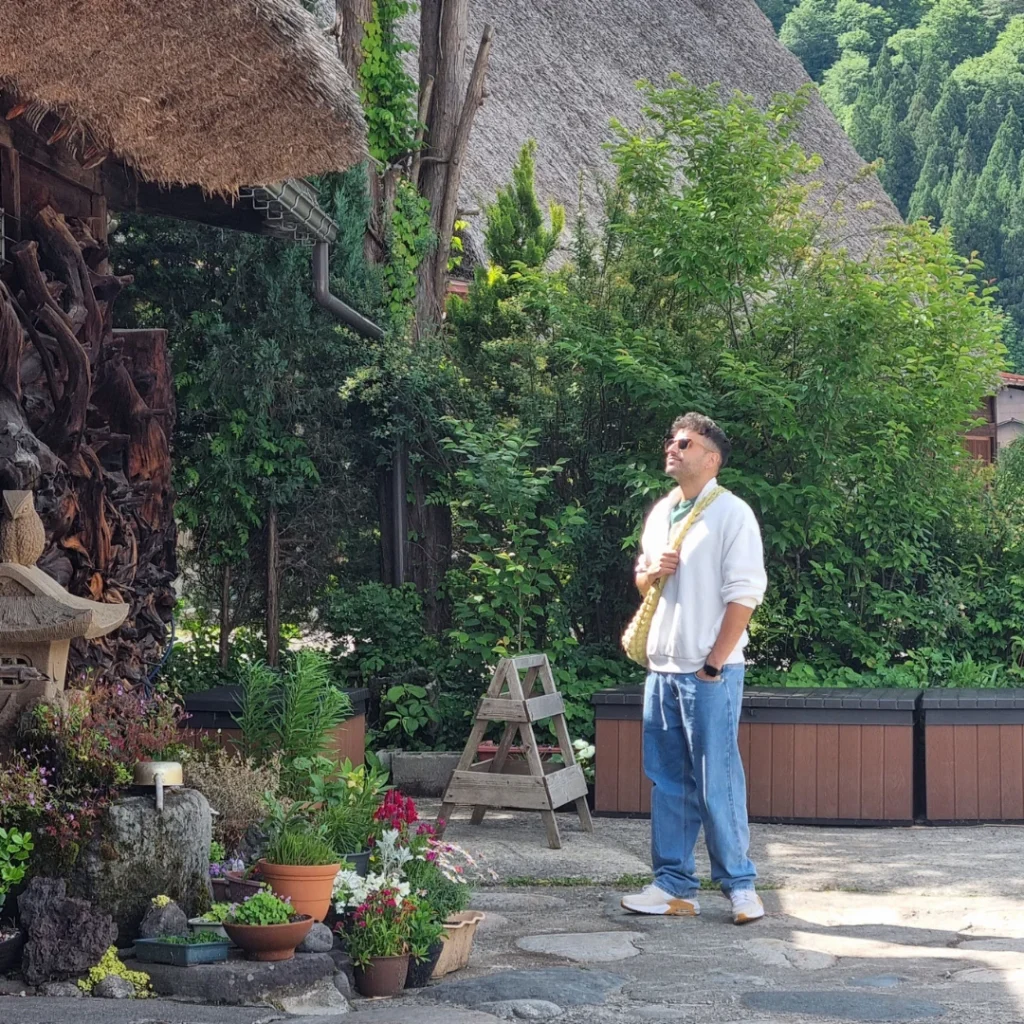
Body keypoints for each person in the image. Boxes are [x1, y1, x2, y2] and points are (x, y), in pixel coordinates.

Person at [620, 412, 767, 924]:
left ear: (712, 459)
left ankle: (740, 886)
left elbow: (745, 595)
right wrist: (647, 573)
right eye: (671, 441)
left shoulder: (733, 515)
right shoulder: (662, 511)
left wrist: (713, 664)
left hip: (709, 671)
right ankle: (673, 886)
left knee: (716, 778)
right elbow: (647, 581)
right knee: (668, 780)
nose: (673, 448)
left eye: (685, 443)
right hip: (662, 665)